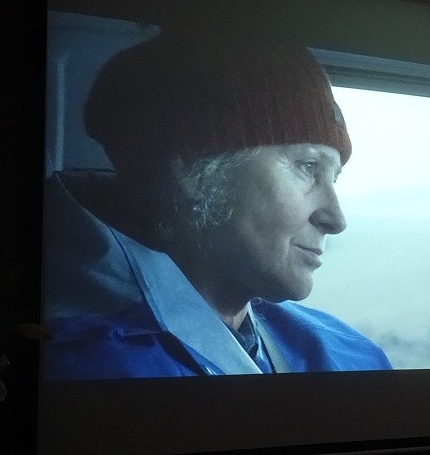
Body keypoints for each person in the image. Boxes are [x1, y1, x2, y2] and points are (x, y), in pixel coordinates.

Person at [41, 30, 391, 379]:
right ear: (193, 171)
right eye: (307, 167)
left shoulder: (350, 355)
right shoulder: (87, 366)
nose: (336, 219)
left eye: (334, 178)